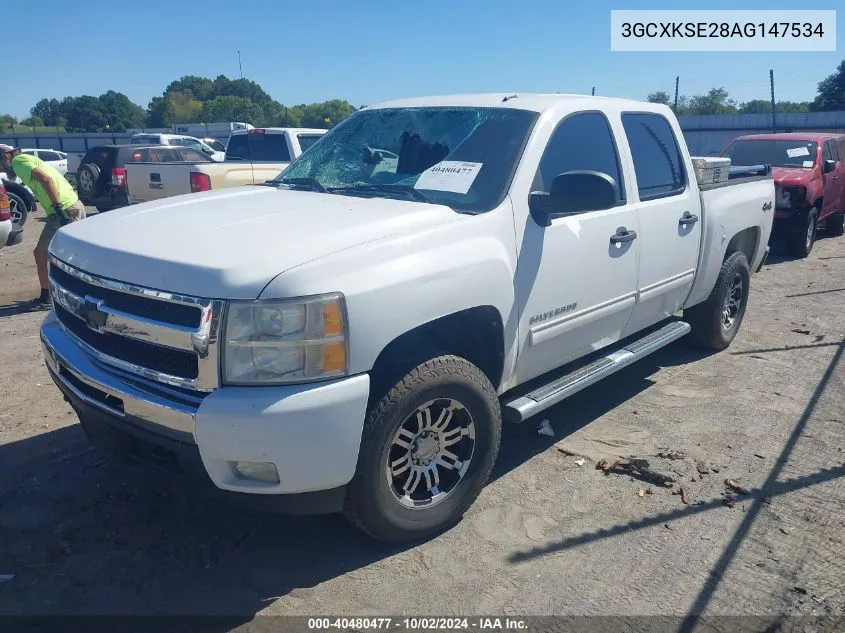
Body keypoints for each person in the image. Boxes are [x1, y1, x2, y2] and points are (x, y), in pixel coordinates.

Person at [0, 144, 86, 306]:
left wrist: (58, 208)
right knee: (71, 254)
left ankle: (47, 298)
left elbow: (46, 179)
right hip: (71, 205)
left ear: (5, 157)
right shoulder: (27, 159)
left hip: (65, 209)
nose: (1, 169)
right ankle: (72, 292)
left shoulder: (19, 162)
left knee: (41, 253)